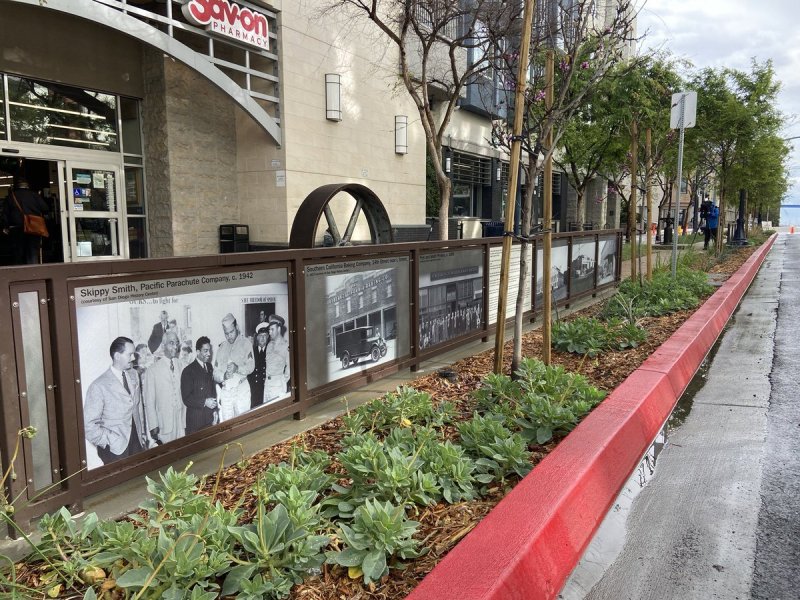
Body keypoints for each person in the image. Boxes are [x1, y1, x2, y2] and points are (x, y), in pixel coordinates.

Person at [83, 337, 148, 465]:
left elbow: (138, 407)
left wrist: (142, 433)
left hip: (137, 444)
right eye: (130, 354)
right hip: (115, 450)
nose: (133, 358)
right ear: (117, 356)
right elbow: (88, 425)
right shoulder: (99, 386)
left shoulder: (134, 375)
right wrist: (109, 441)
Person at [143, 331, 185, 444]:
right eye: (171, 343)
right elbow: (149, 401)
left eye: (177, 343)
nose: (175, 347)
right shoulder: (152, 370)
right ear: (163, 346)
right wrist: (153, 426)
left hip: (181, 421)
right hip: (164, 424)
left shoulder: (182, 365)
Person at [213, 314, 254, 420]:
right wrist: (224, 376)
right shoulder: (221, 348)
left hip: (241, 390)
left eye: (231, 332)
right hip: (226, 392)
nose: (229, 336)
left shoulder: (246, 343)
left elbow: (251, 366)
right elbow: (215, 373)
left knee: (243, 423)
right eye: (226, 333)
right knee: (228, 425)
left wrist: (237, 368)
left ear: (236, 328)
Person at [1, 176, 49, 265]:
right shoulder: (34, 195)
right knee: (33, 252)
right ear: (27, 186)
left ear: (16, 186)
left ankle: (20, 275)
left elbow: (5, 214)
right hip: (33, 227)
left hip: (16, 228)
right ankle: (33, 274)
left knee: (18, 253)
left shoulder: (11, 197)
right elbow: (45, 208)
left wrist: (5, 227)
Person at [181, 336, 218, 434]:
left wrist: (215, 411)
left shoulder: (209, 367)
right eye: (205, 351)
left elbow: (212, 391)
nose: (209, 354)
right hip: (196, 423)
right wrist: (205, 402)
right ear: (197, 352)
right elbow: (186, 398)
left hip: (209, 419)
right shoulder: (188, 371)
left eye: (209, 350)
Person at [264, 314, 290, 405]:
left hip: (278, 386)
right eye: (269, 329)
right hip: (267, 384)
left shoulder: (285, 346)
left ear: (279, 329)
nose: (270, 332)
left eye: (272, 329)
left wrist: (282, 381)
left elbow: (289, 368)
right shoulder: (269, 345)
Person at [248, 321, 269, 409]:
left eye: (265, 335)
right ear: (257, 337)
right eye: (260, 336)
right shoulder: (251, 351)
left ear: (268, 337)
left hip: (266, 387)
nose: (262, 338)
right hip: (254, 389)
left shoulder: (270, 351)